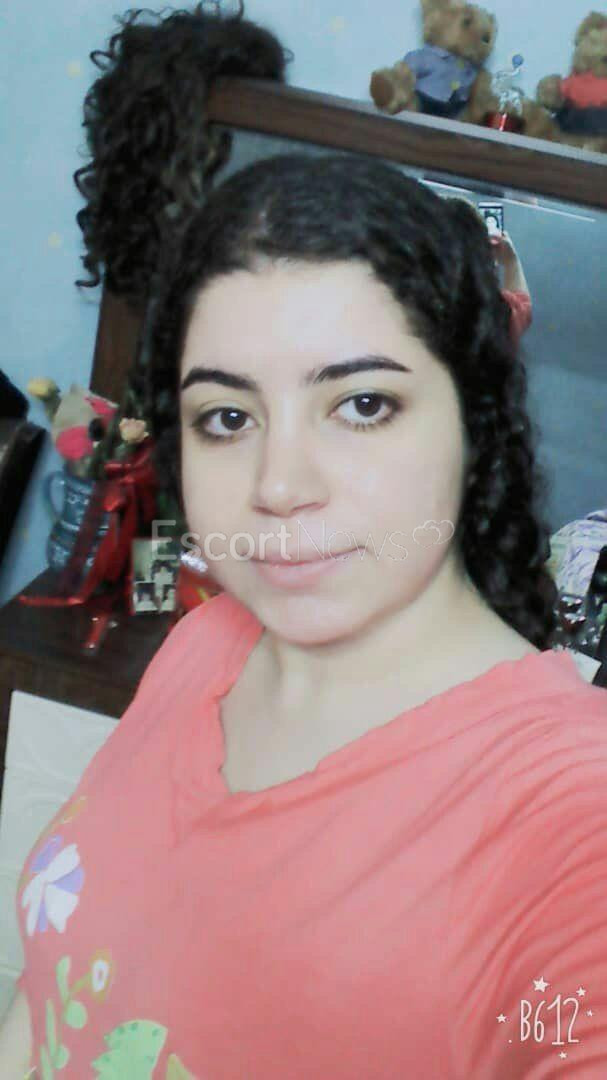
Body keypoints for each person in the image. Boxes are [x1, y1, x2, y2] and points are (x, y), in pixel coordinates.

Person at [2, 152, 607, 1079]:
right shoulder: (206, 645)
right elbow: (51, 995)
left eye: (361, 404)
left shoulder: (571, 816)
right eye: (227, 418)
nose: (279, 486)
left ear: (474, 422)